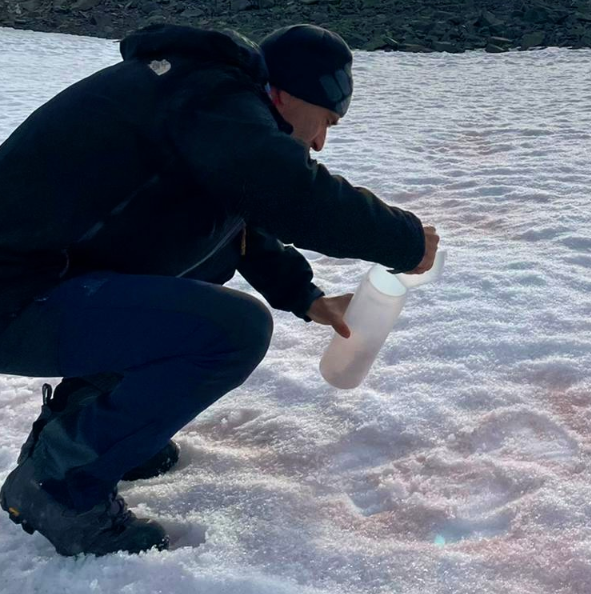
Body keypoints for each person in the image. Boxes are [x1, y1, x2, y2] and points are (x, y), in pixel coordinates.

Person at [0, 23, 440, 557]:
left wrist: (304, 294)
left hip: (30, 283)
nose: (321, 141)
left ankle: (93, 435)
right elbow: (285, 190)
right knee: (232, 331)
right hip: (17, 295)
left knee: (195, 274)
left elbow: (236, 218)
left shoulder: (200, 100)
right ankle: (60, 482)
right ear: (286, 94)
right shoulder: (208, 94)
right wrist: (406, 240)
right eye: (326, 120)